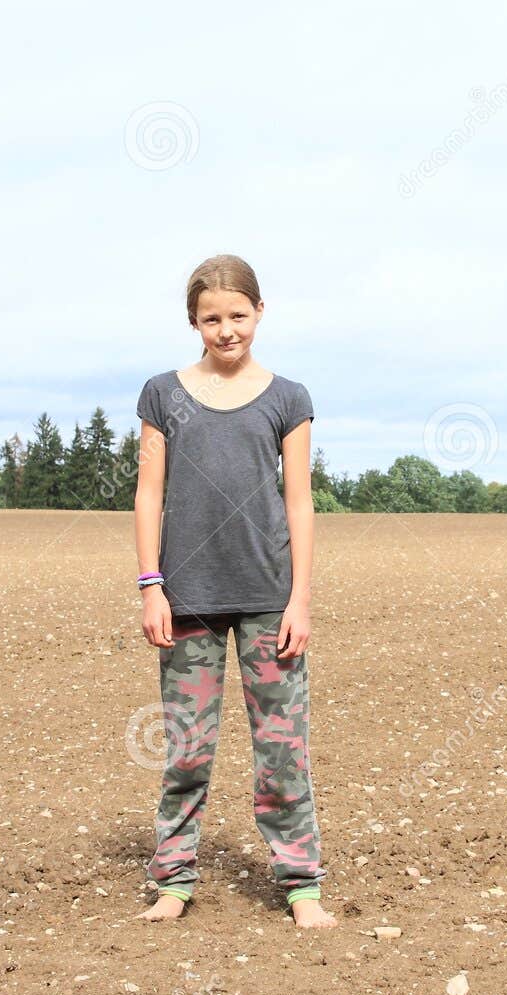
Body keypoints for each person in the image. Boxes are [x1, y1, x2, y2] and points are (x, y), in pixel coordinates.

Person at [132, 254, 335, 929]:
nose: (226, 330)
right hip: (185, 596)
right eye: (211, 318)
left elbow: (299, 502)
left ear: (260, 313)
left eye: (237, 316)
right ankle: (174, 880)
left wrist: (300, 598)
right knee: (186, 748)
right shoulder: (163, 394)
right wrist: (150, 586)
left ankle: (301, 884)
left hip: (268, 596)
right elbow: (148, 493)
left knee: (282, 746)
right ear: (193, 320)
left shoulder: (289, 398)